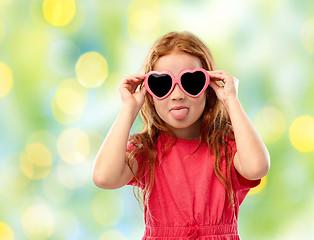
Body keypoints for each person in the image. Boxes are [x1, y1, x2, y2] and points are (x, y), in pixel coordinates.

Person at [92, 31, 270, 239]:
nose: (177, 95)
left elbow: (258, 166)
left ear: (208, 87)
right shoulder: (148, 150)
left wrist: (231, 100)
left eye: (191, 82)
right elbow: (104, 177)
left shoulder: (226, 147)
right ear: (150, 94)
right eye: (162, 84)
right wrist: (129, 108)